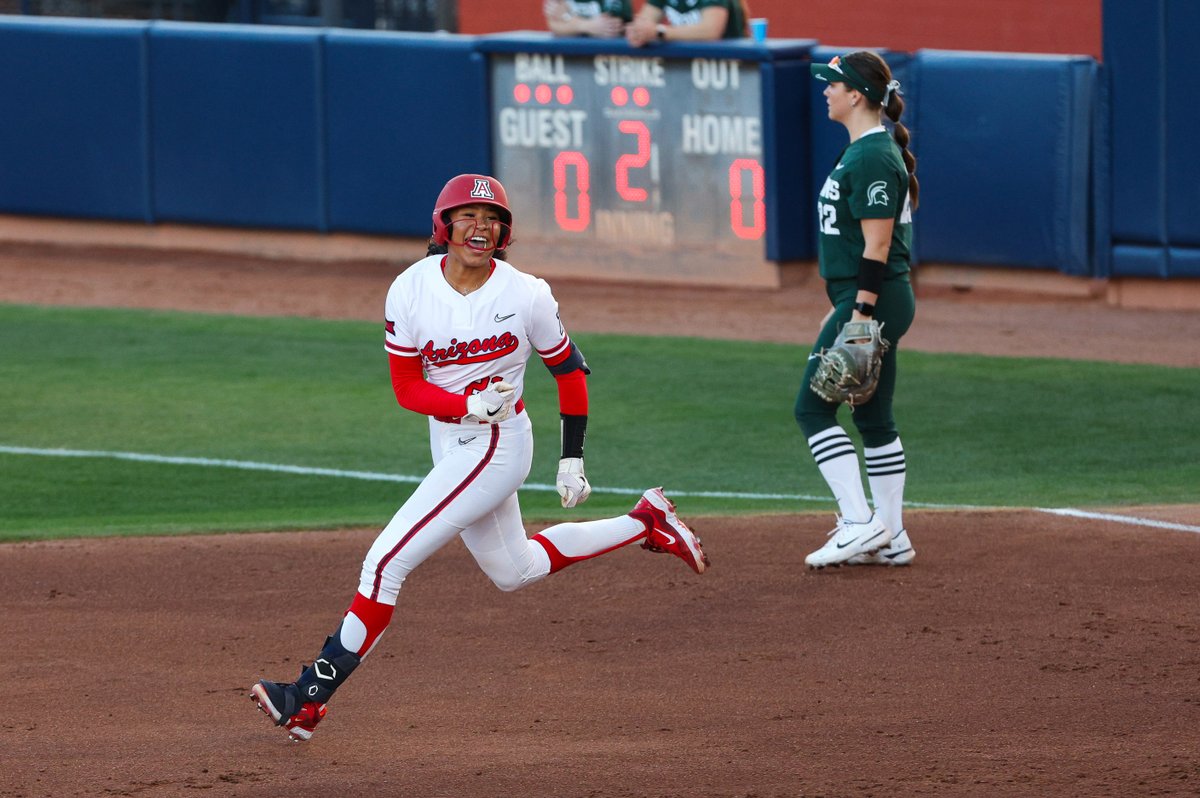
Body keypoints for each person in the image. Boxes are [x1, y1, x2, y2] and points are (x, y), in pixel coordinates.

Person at [250, 173, 710, 741]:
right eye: (468, 216)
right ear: (444, 226)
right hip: (453, 438)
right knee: (514, 570)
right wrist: (467, 403)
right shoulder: (410, 290)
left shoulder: (526, 294)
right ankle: (646, 521)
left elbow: (568, 371)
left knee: (385, 563)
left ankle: (308, 696)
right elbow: (407, 389)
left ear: (505, 232)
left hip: (498, 446)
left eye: (492, 219)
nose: (481, 227)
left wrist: (572, 458)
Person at [796, 52, 919, 570]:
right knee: (872, 416)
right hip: (868, 298)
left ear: (858, 96)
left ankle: (859, 520)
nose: (826, 91)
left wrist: (860, 313)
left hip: (874, 297)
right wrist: (843, 310)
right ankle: (891, 535)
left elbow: (878, 244)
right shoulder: (865, 152)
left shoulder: (871, 157)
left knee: (812, 408)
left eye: (833, 85)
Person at [625, 0, 747, 46]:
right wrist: (637, 32)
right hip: (686, 68)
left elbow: (711, 30)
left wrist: (659, 31)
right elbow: (642, 24)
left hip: (729, 69)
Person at [543, 0, 632, 37]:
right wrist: (587, 25)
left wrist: (567, 17)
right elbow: (554, 24)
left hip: (605, 55)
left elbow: (610, 26)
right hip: (569, 53)